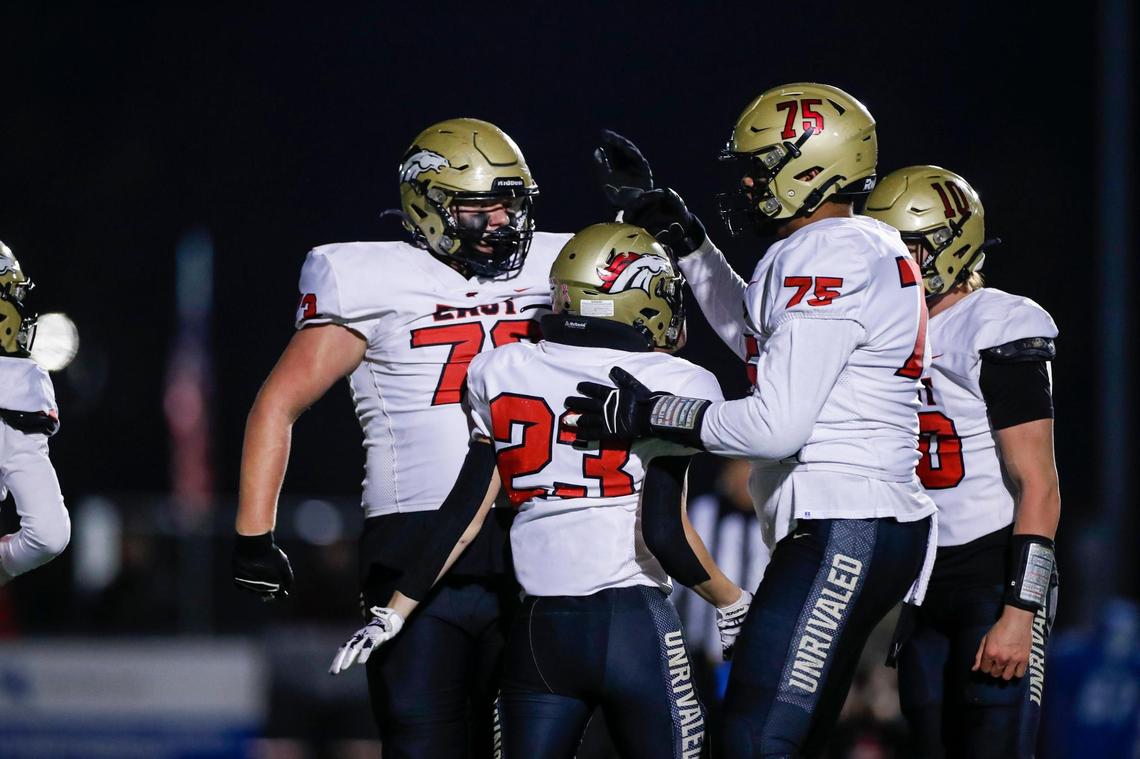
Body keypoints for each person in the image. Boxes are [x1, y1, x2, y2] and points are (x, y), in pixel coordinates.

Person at [571, 83, 937, 757]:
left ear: (810, 164)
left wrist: (651, 412)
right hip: (871, 521)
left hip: (842, 525)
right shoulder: (860, 242)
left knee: (750, 740)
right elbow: (758, 337)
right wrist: (683, 237)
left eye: (759, 164)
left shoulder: (823, 252)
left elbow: (774, 428)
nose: (745, 180)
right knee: (784, 738)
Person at [329, 222, 753, 759]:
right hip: (635, 627)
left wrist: (393, 611)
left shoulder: (501, 369)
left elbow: (462, 516)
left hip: (539, 635)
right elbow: (665, 533)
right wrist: (733, 601)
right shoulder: (680, 380)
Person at [231, 118, 570, 757]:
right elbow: (277, 403)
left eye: (509, 203)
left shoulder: (565, 259)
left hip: (538, 525)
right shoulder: (363, 274)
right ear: (429, 205)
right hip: (414, 533)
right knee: (421, 743)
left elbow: (653, 343)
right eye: (479, 206)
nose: (500, 221)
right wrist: (254, 534)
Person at [864, 165, 1060, 758]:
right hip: (924, 578)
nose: (896, 264)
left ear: (952, 243)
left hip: (992, 568)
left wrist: (1020, 610)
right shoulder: (887, 329)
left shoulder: (997, 321)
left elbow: (1040, 486)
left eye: (909, 247)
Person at [0, 240, 70, 586]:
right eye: (13, 296)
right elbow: (47, 535)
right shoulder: (17, 386)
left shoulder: (18, 385)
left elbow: (48, 535)